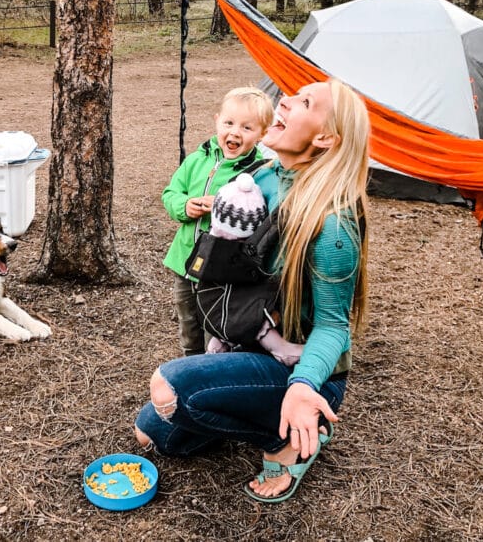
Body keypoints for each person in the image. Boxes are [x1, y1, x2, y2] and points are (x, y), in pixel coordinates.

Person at [135, 78, 370, 504]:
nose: (285, 101)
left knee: (170, 388)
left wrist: (303, 387)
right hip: (248, 343)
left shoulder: (332, 226)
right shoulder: (261, 177)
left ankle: (291, 438)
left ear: (324, 137)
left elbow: (335, 327)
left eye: (304, 102)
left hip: (302, 369)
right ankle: (253, 407)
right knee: (153, 433)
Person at [161, 86, 274, 356]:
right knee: (188, 323)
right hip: (185, 262)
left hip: (223, 270)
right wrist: (184, 206)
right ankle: (190, 363)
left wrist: (223, 208)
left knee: (219, 326)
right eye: (229, 123)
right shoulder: (197, 160)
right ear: (217, 120)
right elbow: (171, 193)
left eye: (247, 128)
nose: (235, 132)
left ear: (263, 134)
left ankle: (216, 369)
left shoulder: (258, 172)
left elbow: (260, 218)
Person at [203, 171, 305, 367]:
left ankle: (219, 343)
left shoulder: (213, 241)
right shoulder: (233, 250)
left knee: (229, 310)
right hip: (233, 294)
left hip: (215, 296)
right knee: (253, 315)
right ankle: (280, 349)